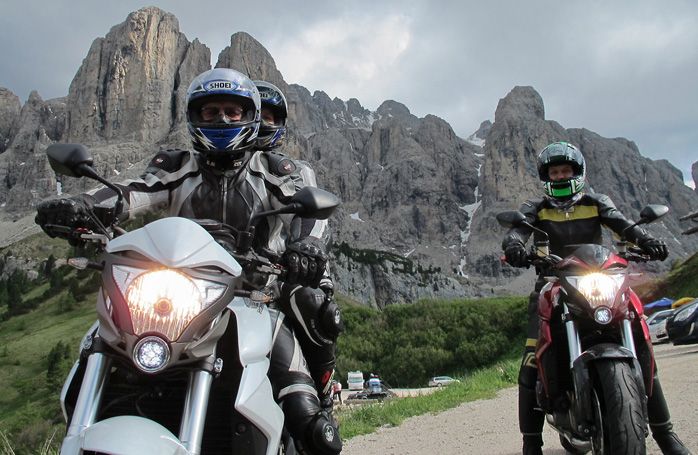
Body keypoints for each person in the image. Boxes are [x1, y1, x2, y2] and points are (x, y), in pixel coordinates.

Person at [36, 68, 343, 455]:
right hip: (180, 294)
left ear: (249, 115)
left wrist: (307, 247)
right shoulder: (176, 166)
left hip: (253, 301)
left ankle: (320, 399)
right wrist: (81, 206)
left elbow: (309, 212)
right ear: (193, 118)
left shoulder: (275, 172)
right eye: (210, 111)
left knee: (309, 424)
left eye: (232, 111)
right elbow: (131, 193)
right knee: (98, 344)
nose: (221, 120)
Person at [502, 142, 691, 455]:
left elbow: (624, 226)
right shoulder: (536, 207)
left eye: (566, 171)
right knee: (531, 361)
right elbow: (516, 233)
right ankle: (531, 445)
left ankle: (666, 435)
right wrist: (513, 245)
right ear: (546, 176)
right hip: (552, 284)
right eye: (554, 171)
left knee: (642, 343)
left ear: (578, 173)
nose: (561, 176)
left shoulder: (597, 201)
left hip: (599, 279)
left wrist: (647, 240)